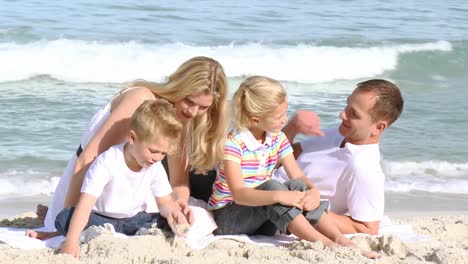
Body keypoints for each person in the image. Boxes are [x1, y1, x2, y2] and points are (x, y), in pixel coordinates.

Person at [39, 56, 228, 231]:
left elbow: (178, 182)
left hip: (131, 196)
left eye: (203, 107)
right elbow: (87, 159)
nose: (193, 112)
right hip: (87, 192)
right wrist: (67, 219)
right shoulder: (141, 99)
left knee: (199, 218)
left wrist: (179, 204)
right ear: (178, 86)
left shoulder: (180, 118)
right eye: (189, 101)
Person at [207, 76, 379, 259]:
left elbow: (297, 175)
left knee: (296, 186)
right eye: (279, 116)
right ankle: (325, 243)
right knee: (273, 186)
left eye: (285, 113)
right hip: (228, 219)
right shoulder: (233, 143)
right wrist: (280, 195)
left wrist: (312, 191)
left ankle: (338, 238)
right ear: (256, 120)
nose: (285, 119)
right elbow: (239, 194)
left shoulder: (277, 138)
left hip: (264, 219)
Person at [28, 100, 193, 258]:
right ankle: (91, 233)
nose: (158, 158)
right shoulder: (108, 161)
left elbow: (164, 202)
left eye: (163, 153)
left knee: (163, 220)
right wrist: (70, 242)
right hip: (99, 217)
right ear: (133, 138)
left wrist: (173, 213)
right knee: (65, 218)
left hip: (133, 219)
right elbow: (85, 205)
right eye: (153, 151)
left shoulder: (154, 166)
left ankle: (134, 233)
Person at [273, 79, 404, 235]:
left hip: (274, 208)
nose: (342, 114)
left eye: (353, 113)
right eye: (347, 105)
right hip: (259, 184)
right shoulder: (340, 133)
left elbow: (368, 228)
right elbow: (285, 153)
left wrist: (303, 211)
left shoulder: (363, 166)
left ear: (378, 127)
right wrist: (293, 127)